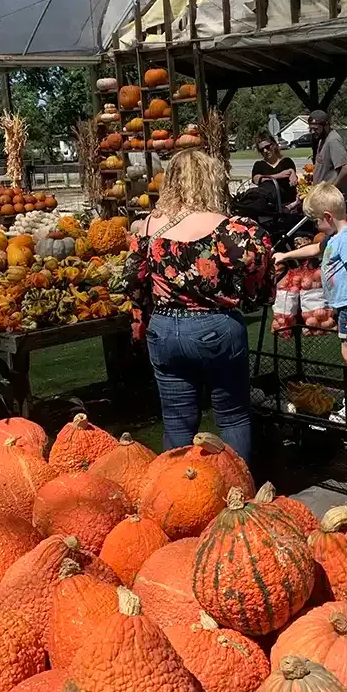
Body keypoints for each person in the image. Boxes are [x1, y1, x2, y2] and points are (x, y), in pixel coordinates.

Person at [124, 148, 274, 462]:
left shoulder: (150, 225)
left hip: (164, 329)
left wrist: (147, 314)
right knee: (232, 417)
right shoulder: (228, 229)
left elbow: (133, 283)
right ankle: (238, 493)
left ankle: (178, 499)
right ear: (212, 181)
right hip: (216, 327)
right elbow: (258, 273)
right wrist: (248, 297)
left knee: (177, 422)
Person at [274, 182, 347, 424]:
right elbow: (314, 249)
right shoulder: (333, 238)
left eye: (316, 221)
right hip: (346, 305)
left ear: (327, 216)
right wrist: (286, 255)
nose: (315, 226)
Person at [308, 109, 347, 207]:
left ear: (326, 125)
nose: (312, 132)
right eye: (310, 129)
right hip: (324, 198)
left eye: (316, 129)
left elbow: (346, 167)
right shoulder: (322, 140)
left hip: (334, 200)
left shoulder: (333, 141)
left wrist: (332, 188)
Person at [251, 132, 299, 209]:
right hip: (269, 205)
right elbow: (256, 179)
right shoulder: (259, 165)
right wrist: (277, 176)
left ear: (273, 145)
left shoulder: (286, 161)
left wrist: (293, 173)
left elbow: (292, 173)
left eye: (267, 147)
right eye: (261, 150)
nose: (265, 151)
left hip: (289, 204)